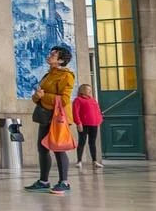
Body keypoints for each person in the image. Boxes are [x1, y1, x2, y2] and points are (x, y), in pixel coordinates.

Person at [25, 44, 76, 195]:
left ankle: (64, 182)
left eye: (53, 55)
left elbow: (65, 100)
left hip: (58, 117)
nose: (50, 56)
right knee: (42, 148)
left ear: (61, 60)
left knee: (58, 147)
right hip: (45, 115)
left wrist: (43, 96)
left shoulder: (66, 76)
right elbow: (37, 97)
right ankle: (43, 181)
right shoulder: (48, 75)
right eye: (51, 53)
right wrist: (37, 96)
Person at [72, 83, 105, 169]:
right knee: (82, 142)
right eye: (88, 89)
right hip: (83, 125)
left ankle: (94, 161)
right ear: (82, 90)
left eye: (90, 89)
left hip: (94, 124)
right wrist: (78, 123)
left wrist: (100, 120)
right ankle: (79, 161)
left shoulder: (93, 100)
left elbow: (98, 111)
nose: (90, 91)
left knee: (92, 143)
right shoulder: (77, 100)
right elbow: (75, 113)